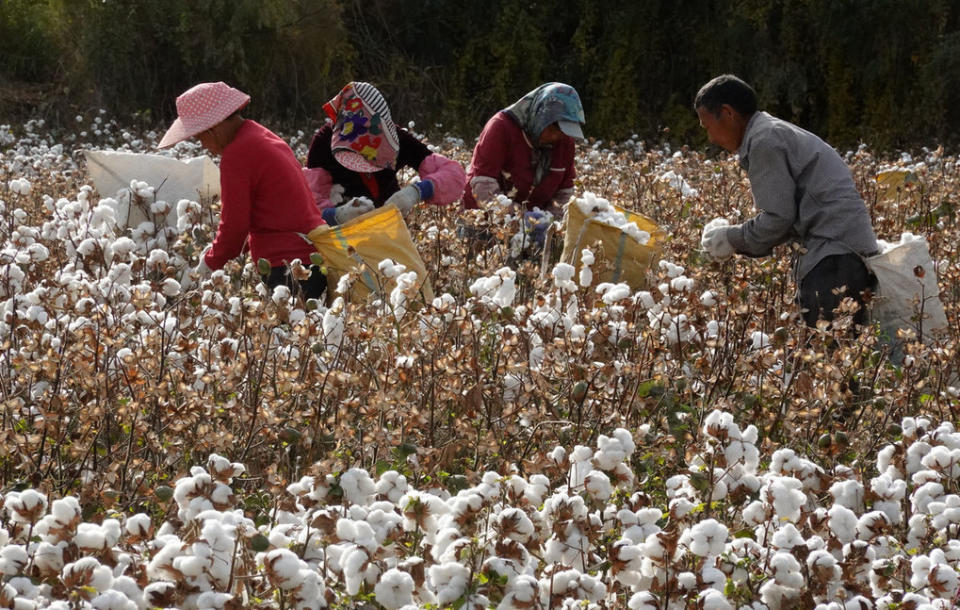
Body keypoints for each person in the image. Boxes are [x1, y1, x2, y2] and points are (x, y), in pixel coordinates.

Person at [695, 74, 878, 327]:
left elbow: (778, 218)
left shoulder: (764, 141)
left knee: (828, 350)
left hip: (833, 257)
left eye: (706, 127)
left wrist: (729, 238)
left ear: (727, 113)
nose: (711, 138)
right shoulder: (771, 132)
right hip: (843, 252)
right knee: (845, 350)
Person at [159, 81, 327, 299]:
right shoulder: (260, 135)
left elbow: (234, 228)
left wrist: (206, 266)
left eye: (200, 137)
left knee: (288, 331)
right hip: (313, 259)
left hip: (286, 266)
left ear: (215, 128)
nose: (203, 145)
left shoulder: (237, 154)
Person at [304, 81, 465, 225]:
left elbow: (453, 174)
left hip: (392, 226)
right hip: (344, 237)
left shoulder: (397, 139)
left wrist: (416, 192)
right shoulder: (323, 144)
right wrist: (338, 215)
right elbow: (308, 206)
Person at [462, 82, 585, 214]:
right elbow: (484, 186)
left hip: (535, 223)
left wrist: (549, 221)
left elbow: (565, 193)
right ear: (540, 117)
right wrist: (521, 219)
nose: (555, 137)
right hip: (483, 220)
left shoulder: (565, 141)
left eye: (562, 132)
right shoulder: (501, 127)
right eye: (551, 129)